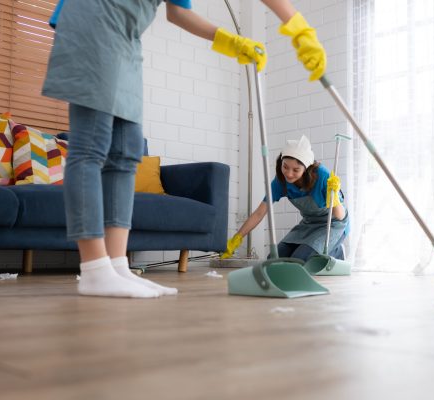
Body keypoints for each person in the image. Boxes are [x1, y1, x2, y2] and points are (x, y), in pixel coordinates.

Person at [42, 0, 328, 298]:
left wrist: (229, 41)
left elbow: (177, 11)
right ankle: (94, 269)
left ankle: (116, 266)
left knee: (126, 154)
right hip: (94, 19)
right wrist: (299, 28)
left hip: (127, 37)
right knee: (91, 148)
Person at [222, 135, 349, 262]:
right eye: (285, 167)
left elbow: (340, 216)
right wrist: (236, 239)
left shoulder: (323, 176)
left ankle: (336, 251)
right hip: (309, 224)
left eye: (296, 170)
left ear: (306, 169)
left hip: (333, 225)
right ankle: (313, 250)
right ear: (280, 162)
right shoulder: (280, 181)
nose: (289, 173)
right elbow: (259, 213)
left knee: (299, 259)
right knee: (273, 259)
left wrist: (334, 193)